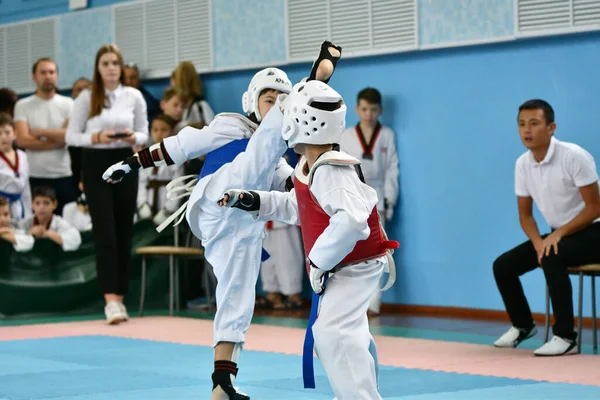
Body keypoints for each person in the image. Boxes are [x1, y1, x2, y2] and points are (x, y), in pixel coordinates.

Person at [102, 41, 341, 400]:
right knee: (265, 146)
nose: (276, 103)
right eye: (270, 99)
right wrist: (132, 163)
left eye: (282, 99)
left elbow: (293, 186)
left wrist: (331, 191)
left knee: (237, 299)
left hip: (243, 225)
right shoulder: (231, 126)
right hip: (216, 200)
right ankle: (312, 77)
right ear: (252, 101)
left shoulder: (274, 159)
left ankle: (222, 383)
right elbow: (182, 145)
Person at [218, 79, 397, 400]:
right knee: (347, 334)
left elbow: (353, 222)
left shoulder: (331, 170)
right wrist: (255, 200)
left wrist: (318, 261)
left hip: (356, 265)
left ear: (300, 122)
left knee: (332, 334)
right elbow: (301, 207)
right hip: (348, 264)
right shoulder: (309, 165)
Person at [493, 99, 600, 356]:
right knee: (503, 265)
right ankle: (522, 325)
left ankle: (566, 337)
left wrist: (557, 235)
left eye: (534, 123)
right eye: (521, 124)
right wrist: (538, 242)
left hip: (594, 232)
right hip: (558, 234)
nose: (527, 130)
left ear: (551, 127)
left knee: (552, 254)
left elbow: (595, 207)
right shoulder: (522, 164)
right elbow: (525, 216)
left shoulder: (573, 156)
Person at [66, 44, 149, 325]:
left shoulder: (133, 95)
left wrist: (131, 136)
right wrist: (97, 138)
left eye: (115, 62)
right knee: (106, 232)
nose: (111, 68)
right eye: (106, 63)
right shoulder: (87, 98)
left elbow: (144, 133)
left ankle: (122, 297)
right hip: (96, 162)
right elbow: (72, 137)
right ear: (98, 68)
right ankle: (110, 300)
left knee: (125, 229)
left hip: (125, 161)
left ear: (121, 67)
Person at [339, 87, 399, 315]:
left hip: (378, 198)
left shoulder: (387, 135)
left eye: (373, 110)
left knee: (377, 252)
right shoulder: (346, 136)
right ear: (357, 109)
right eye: (364, 109)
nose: (369, 114)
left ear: (380, 110)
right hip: (352, 197)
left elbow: (393, 168)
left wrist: (390, 199)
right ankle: (353, 303)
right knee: (351, 251)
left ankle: (374, 302)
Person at [13, 58, 76, 216]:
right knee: (36, 225)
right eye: (43, 72)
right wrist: (58, 140)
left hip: (63, 175)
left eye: (51, 72)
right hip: (34, 175)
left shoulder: (69, 104)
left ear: (57, 76)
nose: (48, 76)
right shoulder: (22, 105)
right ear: (34, 76)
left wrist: (40, 132)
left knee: (66, 225)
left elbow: (70, 136)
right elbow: (22, 140)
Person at [136, 114, 184, 225]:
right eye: (155, 130)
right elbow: (141, 182)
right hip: (148, 201)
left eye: (164, 130)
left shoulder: (176, 157)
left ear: (172, 132)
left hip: (166, 202)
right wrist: (142, 205)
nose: (159, 133)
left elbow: (178, 186)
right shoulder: (145, 155)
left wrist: (168, 210)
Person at [20, 185, 82, 252]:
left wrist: (48, 234)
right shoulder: (25, 223)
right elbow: (15, 236)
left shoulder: (59, 223)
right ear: (32, 205)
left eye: (46, 203)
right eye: (37, 203)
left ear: (54, 204)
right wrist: (29, 233)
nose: (41, 207)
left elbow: (75, 239)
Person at [0, 113, 31, 221]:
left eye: (7, 132)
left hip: (20, 203)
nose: (4, 137)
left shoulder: (22, 156)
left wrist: (29, 213)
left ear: (14, 134)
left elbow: (26, 187)